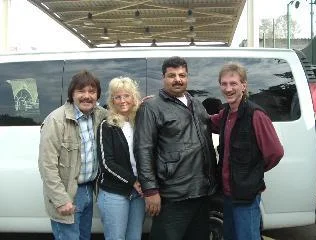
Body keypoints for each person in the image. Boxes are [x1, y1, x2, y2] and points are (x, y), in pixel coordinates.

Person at [134, 56, 217, 240]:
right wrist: (150, 190)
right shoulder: (151, 107)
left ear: (187, 77)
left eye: (182, 75)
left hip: (202, 192)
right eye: (172, 75)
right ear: (163, 77)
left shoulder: (196, 104)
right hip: (173, 194)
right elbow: (143, 150)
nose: (177, 79)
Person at [210, 62, 284, 240]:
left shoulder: (256, 115)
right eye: (224, 84)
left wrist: (252, 172)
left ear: (244, 85)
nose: (228, 88)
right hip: (227, 194)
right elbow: (207, 121)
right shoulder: (225, 113)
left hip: (246, 196)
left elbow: (275, 152)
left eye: (233, 83)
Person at [38, 70, 107, 240]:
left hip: (88, 190)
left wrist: (143, 105)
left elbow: (122, 113)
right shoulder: (56, 120)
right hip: (68, 193)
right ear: (72, 94)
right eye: (81, 91)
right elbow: (47, 165)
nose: (87, 96)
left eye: (92, 91)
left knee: (84, 237)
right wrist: (61, 200)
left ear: (98, 95)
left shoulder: (98, 115)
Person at [96, 77, 145, 240]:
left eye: (127, 96)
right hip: (114, 193)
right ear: (112, 100)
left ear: (133, 97)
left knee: (134, 237)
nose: (123, 100)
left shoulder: (140, 122)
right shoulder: (107, 125)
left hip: (138, 194)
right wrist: (133, 181)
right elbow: (106, 163)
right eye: (118, 97)